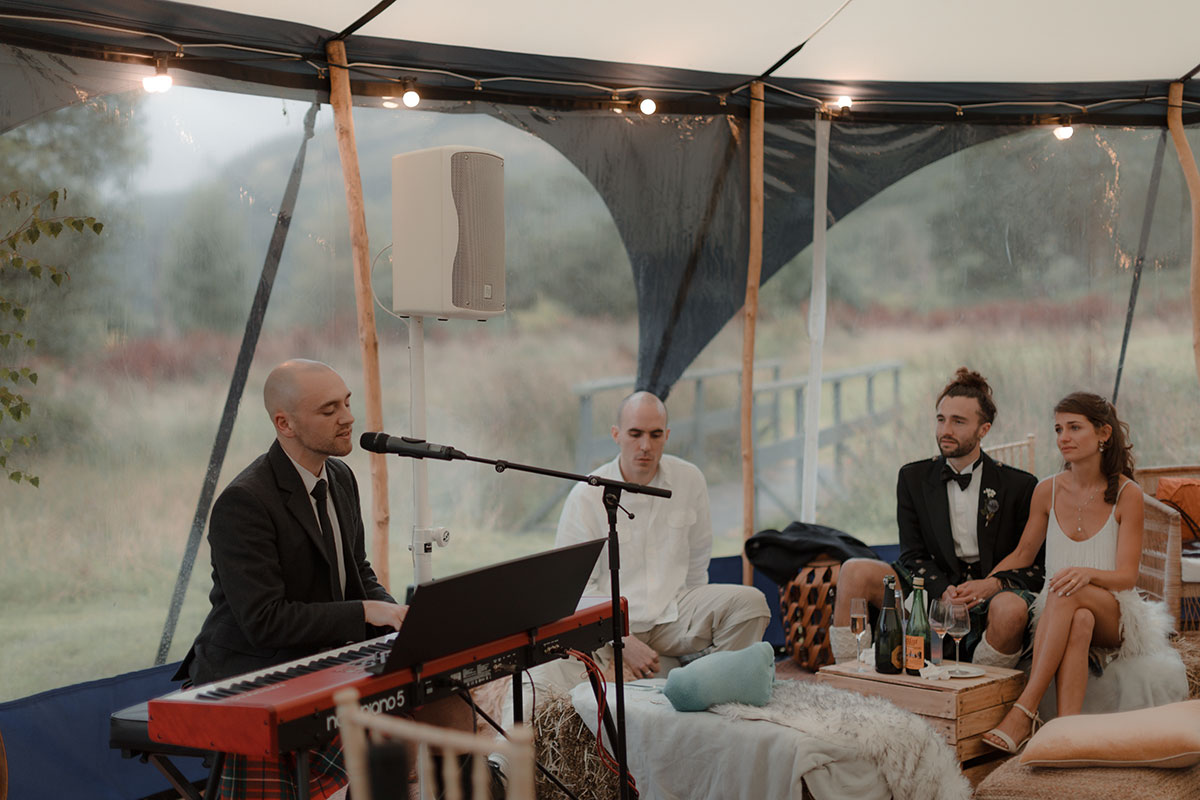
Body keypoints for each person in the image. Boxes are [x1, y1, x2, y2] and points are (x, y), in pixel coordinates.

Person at [178, 359, 478, 799]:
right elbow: (265, 621)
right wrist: (368, 612)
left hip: (326, 652)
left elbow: (358, 572)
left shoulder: (339, 477)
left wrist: (399, 617)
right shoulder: (243, 503)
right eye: (329, 409)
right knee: (377, 733)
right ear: (285, 423)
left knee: (451, 703)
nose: (349, 418)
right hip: (254, 667)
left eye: (348, 402)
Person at [982, 392, 1187, 753]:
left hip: (1115, 611)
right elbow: (1023, 553)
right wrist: (984, 584)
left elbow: (1126, 576)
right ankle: (1066, 736)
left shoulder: (1128, 494)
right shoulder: (1046, 490)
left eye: (1075, 428)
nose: (1064, 437)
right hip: (1061, 611)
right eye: (1059, 429)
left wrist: (1085, 574)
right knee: (1078, 621)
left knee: (1067, 592)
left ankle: (1024, 710)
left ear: (1103, 433)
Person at [830, 368, 1043, 669]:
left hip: (992, 594)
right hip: (932, 587)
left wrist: (992, 585)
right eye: (941, 419)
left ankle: (979, 693)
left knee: (1010, 610)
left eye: (958, 421)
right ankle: (850, 681)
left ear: (984, 429)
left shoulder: (1021, 486)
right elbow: (912, 554)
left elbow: (1036, 566)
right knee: (853, 570)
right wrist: (941, 589)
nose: (945, 430)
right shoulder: (912, 477)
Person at [554, 391, 770, 681]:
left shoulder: (689, 478)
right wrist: (623, 640)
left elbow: (697, 565)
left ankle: (714, 688)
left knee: (751, 604)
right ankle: (684, 679)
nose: (646, 446)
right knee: (552, 671)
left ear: (667, 435)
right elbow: (576, 590)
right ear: (616, 435)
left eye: (656, 435)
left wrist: (696, 623)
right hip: (613, 627)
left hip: (674, 613)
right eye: (635, 434)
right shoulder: (585, 496)